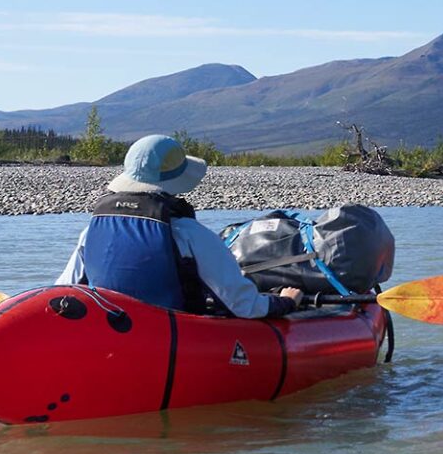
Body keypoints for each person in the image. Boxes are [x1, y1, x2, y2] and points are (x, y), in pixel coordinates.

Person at [57, 134, 304, 317]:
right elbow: (243, 306)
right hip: (174, 340)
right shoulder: (190, 234)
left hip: (112, 335)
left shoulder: (90, 233)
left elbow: (62, 290)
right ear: (176, 184)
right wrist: (285, 302)